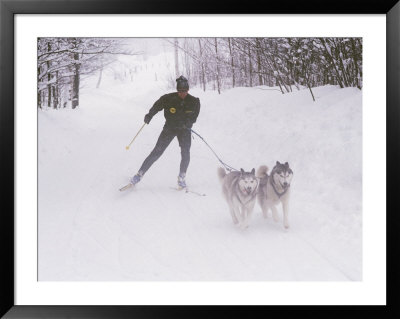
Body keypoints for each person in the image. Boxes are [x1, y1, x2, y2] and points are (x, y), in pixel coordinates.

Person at [130, 76, 201, 188]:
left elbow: (194, 117)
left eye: (185, 91)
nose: (182, 93)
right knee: (157, 151)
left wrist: (188, 123)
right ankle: (139, 174)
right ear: (177, 90)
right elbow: (157, 106)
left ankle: (182, 176)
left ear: (188, 90)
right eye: (180, 91)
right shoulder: (168, 98)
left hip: (184, 130)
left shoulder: (194, 101)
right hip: (170, 128)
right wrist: (149, 115)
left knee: (185, 152)